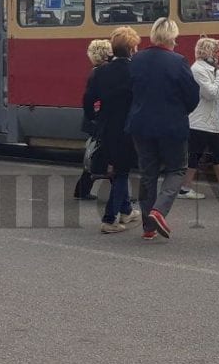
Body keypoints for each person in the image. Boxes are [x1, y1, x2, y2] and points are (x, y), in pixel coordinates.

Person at [127, 17, 200, 240]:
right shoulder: (178, 61)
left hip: (141, 125)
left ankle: (148, 228)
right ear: (172, 37)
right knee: (177, 169)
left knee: (147, 173)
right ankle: (160, 210)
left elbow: (130, 90)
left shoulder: (136, 59)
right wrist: (180, 112)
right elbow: (192, 96)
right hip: (171, 126)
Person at [82, 28, 142, 233]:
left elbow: (88, 100)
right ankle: (109, 219)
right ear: (132, 48)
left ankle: (126, 210)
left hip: (106, 127)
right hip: (127, 127)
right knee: (122, 172)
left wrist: (95, 119)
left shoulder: (101, 71)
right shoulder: (135, 71)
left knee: (116, 169)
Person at [178, 36, 219, 201]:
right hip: (199, 121)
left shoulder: (209, 69)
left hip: (210, 121)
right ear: (207, 52)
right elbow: (211, 93)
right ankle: (184, 189)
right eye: (215, 51)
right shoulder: (198, 69)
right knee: (195, 155)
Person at [73, 38, 113, 200]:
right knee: (105, 154)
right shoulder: (102, 72)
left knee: (97, 154)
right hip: (99, 119)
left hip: (94, 119)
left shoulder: (95, 71)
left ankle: (81, 190)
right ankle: (120, 194)